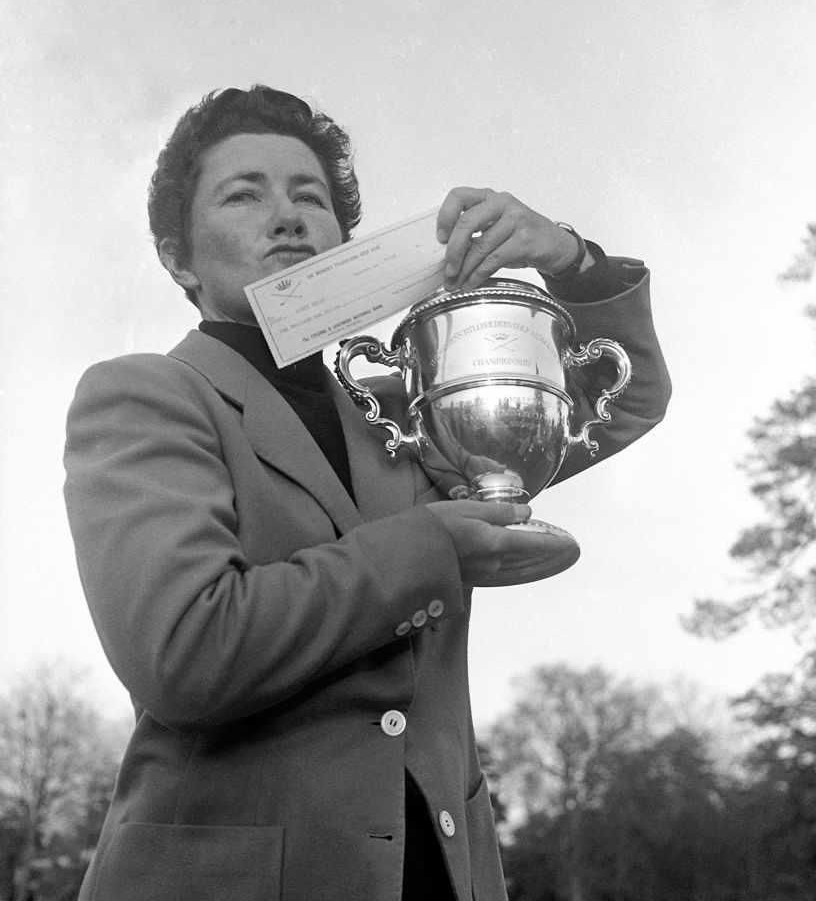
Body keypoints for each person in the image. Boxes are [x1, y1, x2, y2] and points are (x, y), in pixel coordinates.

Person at [63, 85, 671, 901]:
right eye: (244, 195)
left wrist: (569, 260)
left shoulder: (404, 411)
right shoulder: (145, 394)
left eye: (308, 196)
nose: (287, 216)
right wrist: (433, 546)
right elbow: (184, 654)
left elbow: (619, 402)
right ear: (178, 257)